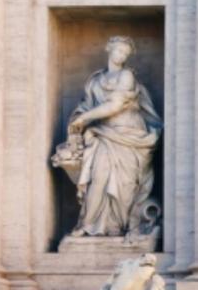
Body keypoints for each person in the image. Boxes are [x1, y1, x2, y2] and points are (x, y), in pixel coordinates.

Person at [54, 36, 161, 238]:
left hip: (129, 136)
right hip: (103, 135)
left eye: (125, 53)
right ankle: (89, 225)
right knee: (99, 179)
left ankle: (117, 227)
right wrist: (78, 119)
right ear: (109, 49)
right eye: (119, 51)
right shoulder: (95, 80)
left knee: (125, 185)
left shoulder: (127, 76)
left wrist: (85, 117)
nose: (121, 56)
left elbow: (115, 105)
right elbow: (85, 105)